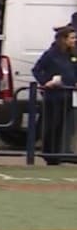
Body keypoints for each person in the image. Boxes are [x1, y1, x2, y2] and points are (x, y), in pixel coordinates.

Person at [31, 25, 76, 165]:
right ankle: (49, 153)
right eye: (72, 38)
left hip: (68, 95)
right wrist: (46, 82)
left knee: (63, 126)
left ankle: (58, 153)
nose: (75, 40)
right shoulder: (51, 54)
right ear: (63, 39)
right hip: (54, 96)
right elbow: (37, 70)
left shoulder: (72, 54)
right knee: (51, 125)